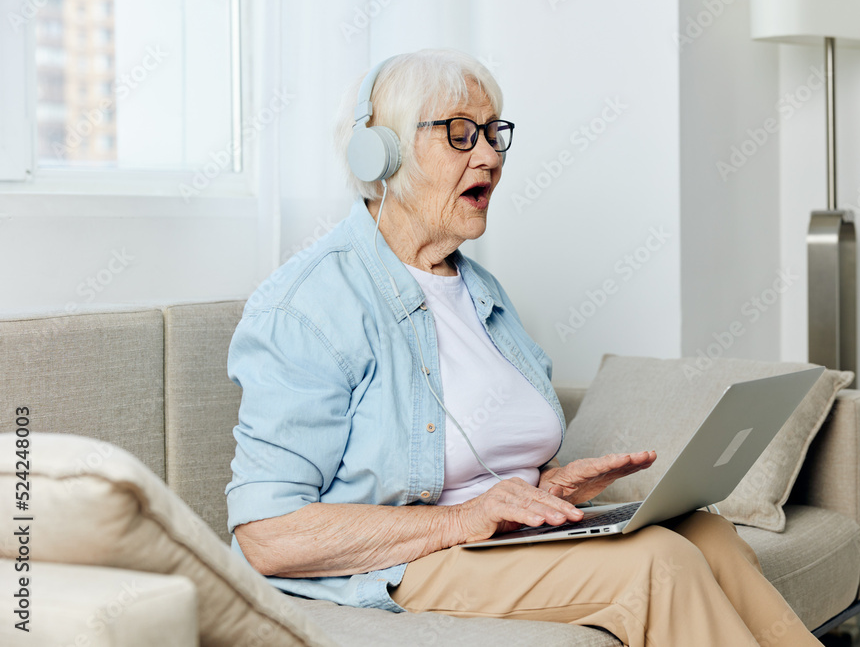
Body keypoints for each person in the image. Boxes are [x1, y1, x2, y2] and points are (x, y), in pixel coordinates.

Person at [225, 49, 822, 646]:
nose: (489, 156)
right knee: (659, 562)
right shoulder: (307, 307)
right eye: (460, 134)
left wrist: (545, 489)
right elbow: (269, 535)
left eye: (492, 133)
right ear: (381, 153)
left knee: (707, 533)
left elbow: (477, 456)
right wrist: (467, 517)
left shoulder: (480, 290)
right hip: (401, 566)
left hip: (496, 541)